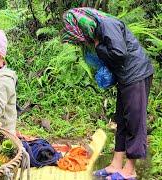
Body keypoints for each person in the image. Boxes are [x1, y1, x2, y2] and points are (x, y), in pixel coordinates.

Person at [62, 7, 153, 180]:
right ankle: (115, 165)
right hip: (126, 76)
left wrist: (98, 46)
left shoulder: (106, 24)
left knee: (134, 121)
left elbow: (119, 53)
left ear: (81, 25)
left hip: (137, 74)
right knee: (122, 120)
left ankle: (130, 170)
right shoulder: (100, 28)